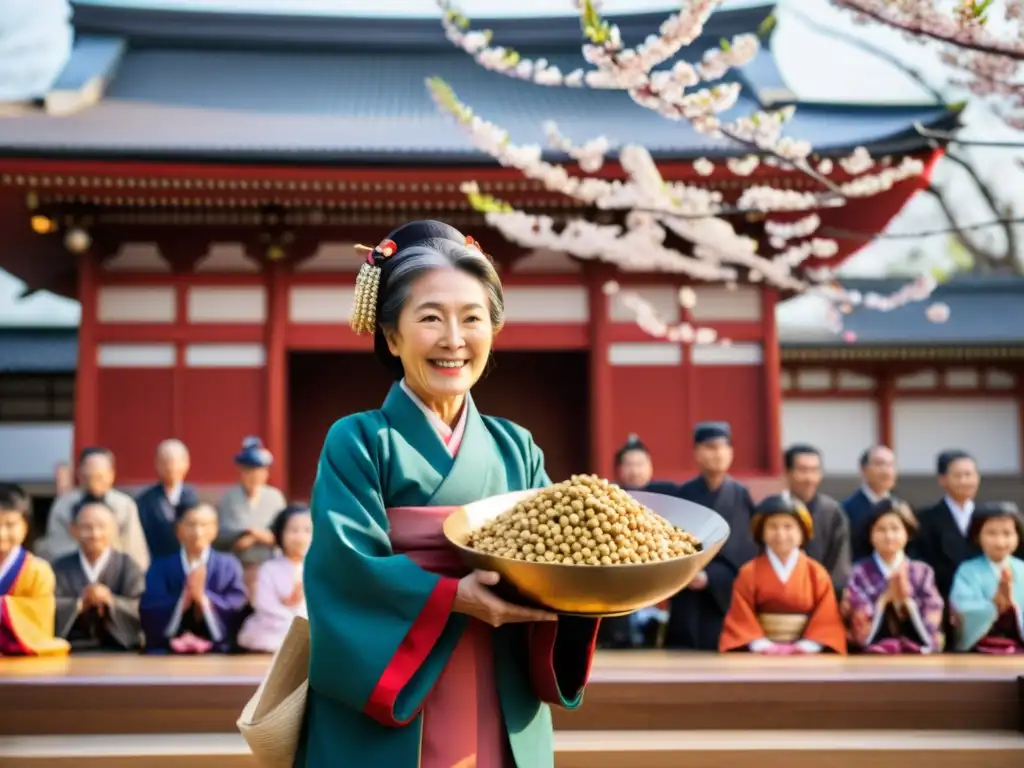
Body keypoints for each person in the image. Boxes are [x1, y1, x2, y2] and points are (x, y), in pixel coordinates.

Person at [298, 221, 601, 768]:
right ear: (391, 336)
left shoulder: (516, 447)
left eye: (472, 319)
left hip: (500, 681)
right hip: (392, 687)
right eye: (431, 318)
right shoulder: (360, 440)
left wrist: (594, 584)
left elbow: (562, 557)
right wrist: (454, 597)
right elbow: (344, 569)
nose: (453, 340)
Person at [666, 422, 757, 650]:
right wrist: (687, 571)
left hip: (724, 595)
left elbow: (744, 549)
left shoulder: (740, 496)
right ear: (696, 452)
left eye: (723, 447)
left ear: (731, 452)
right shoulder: (684, 494)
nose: (718, 453)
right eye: (710, 447)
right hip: (687, 592)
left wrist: (710, 577)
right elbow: (670, 542)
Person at [719, 493, 846, 655]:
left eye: (788, 527)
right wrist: (762, 645)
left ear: (802, 532)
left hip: (806, 652)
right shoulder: (749, 572)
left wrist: (807, 646)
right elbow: (741, 616)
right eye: (773, 526)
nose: (780, 534)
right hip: (760, 652)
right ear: (762, 532)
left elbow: (826, 618)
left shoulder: (816, 573)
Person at [140, 502, 248, 654]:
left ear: (215, 530)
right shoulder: (160, 566)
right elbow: (149, 606)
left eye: (204, 525)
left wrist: (204, 599)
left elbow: (237, 605)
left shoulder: (229, 565)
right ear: (178, 530)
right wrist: (182, 600)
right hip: (167, 652)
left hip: (220, 652)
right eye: (191, 525)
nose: (198, 532)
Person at [841, 498, 944, 654]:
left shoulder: (923, 572)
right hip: (870, 654)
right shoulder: (859, 572)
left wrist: (906, 603)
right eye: (881, 530)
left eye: (895, 529)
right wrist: (884, 600)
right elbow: (855, 615)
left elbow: (933, 610)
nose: (889, 536)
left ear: (907, 533)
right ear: (870, 534)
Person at [52, 497, 145, 651]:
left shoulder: (128, 565)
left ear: (114, 529)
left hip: (121, 650)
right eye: (87, 527)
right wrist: (79, 604)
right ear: (73, 530)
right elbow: (47, 606)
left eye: (102, 527)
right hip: (71, 648)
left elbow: (141, 606)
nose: (95, 534)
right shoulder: (59, 567)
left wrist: (110, 600)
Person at [36, 447, 150, 570]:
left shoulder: (124, 505)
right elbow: (57, 548)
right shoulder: (63, 505)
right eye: (89, 477)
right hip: (72, 574)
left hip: (116, 574)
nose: (94, 483)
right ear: (80, 474)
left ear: (111, 475)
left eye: (99, 477)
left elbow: (135, 549)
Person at [0, 483, 69, 656]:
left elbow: (40, 622)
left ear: (26, 525)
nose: (1, 533)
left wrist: (3, 607)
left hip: (22, 663)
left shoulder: (38, 571)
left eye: (10, 524)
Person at [949, 502, 1024, 654]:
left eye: (1007, 533)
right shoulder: (968, 570)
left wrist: (1012, 609)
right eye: (991, 533)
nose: (1000, 541)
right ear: (977, 536)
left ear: (1018, 536)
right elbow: (961, 607)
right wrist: (993, 606)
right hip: (981, 647)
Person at [216, 437, 287, 593]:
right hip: (236, 565)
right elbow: (220, 536)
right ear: (241, 471)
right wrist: (241, 537)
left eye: (259, 471)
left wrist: (256, 536)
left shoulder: (275, 497)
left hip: (268, 564)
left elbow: (284, 533)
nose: (254, 476)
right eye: (248, 471)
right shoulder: (229, 498)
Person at [237, 504, 311, 653]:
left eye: (307, 531)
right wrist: (291, 616)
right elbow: (265, 605)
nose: (300, 537)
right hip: (276, 625)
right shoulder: (269, 568)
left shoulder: (320, 568)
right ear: (280, 534)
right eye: (293, 530)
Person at [783, 444, 852, 593]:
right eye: (802, 470)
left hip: (824, 594)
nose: (809, 478)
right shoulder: (774, 511)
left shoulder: (832, 512)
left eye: (814, 470)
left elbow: (839, 566)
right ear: (788, 473)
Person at [136, 439, 201, 560]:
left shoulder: (196, 498)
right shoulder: (145, 501)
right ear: (156, 464)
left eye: (174, 462)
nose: (170, 467)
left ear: (186, 464)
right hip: (157, 562)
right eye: (164, 462)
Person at [842, 445, 897, 561]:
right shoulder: (846, 510)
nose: (886, 471)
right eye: (879, 464)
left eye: (891, 465)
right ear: (863, 468)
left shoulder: (900, 508)